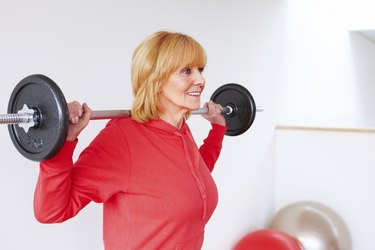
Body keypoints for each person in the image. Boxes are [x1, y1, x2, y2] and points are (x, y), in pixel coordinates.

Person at [34, 31, 227, 249]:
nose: (201, 80)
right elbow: (52, 210)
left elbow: (191, 176)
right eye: (186, 71)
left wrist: (217, 130)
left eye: (200, 70)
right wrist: (64, 141)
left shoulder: (181, 130)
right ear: (156, 79)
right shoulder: (122, 139)